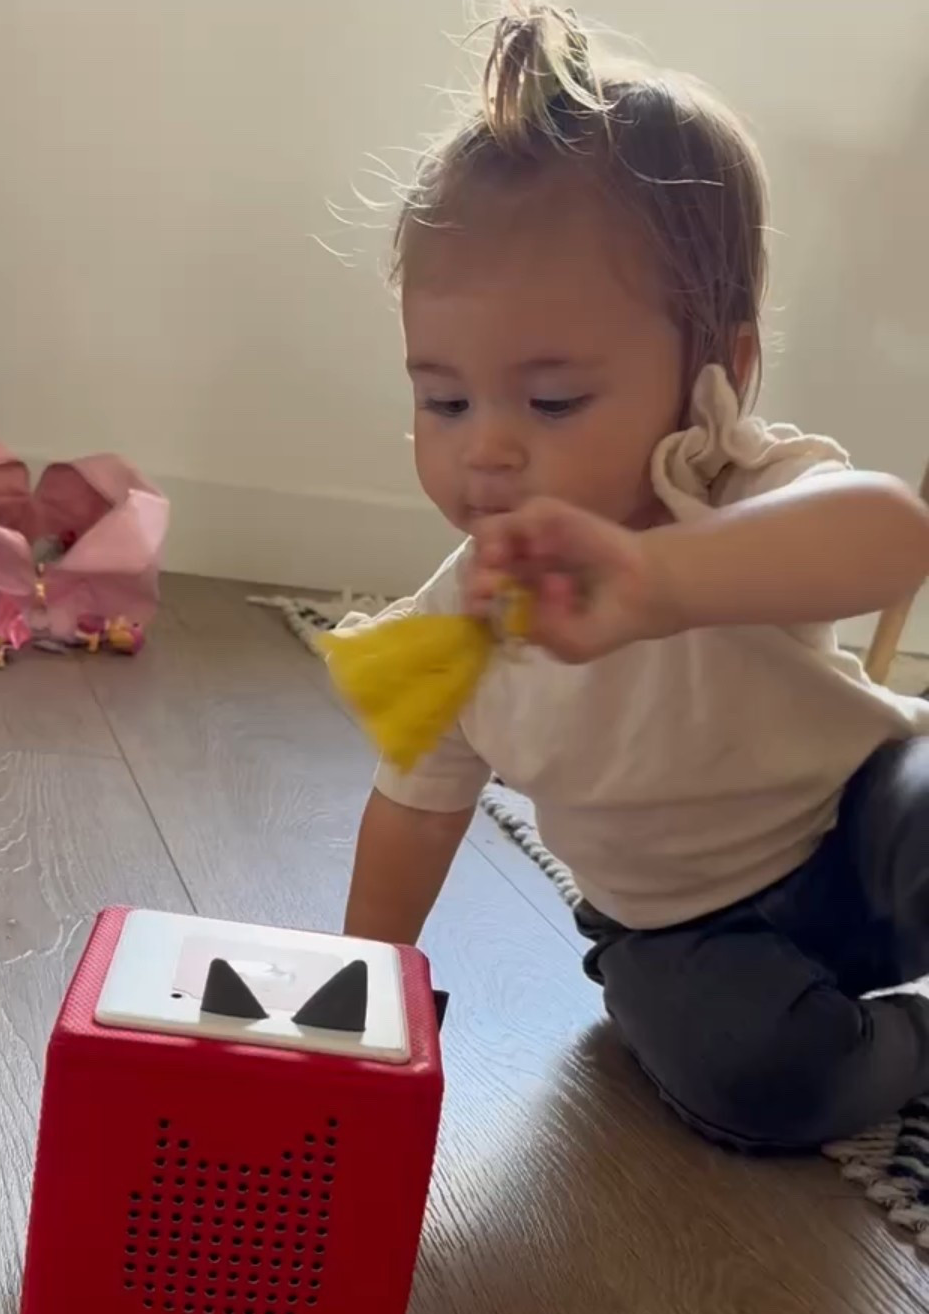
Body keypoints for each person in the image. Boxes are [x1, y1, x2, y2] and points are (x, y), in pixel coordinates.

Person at [340, 4, 929, 1152]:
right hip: (677, 932)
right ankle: (906, 1047)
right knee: (756, 1076)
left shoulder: (734, 486)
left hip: (861, 830)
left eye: (552, 400)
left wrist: (667, 579)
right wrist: (358, 994)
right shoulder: (459, 624)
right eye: (443, 400)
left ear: (720, 369)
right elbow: (413, 812)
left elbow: (891, 538)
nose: (485, 447)